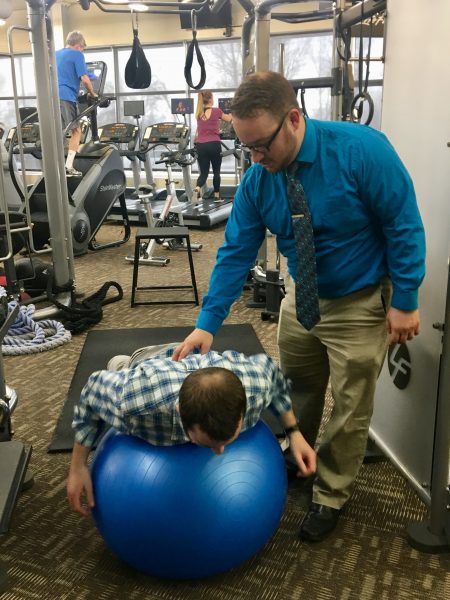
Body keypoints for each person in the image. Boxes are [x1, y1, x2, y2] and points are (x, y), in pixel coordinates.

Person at [173, 71, 426, 543]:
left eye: (262, 146)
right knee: (298, 389)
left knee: (350, 407)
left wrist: (406, 300)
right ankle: (298, 456)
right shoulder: (258, 180)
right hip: (302, 298)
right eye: (245, 148)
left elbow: (403, 223)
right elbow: (235, 252)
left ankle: (331, 493)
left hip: (358, 299)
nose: (255, 158)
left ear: (293, 119)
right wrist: (208, 324)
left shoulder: (361, 150)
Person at [67, 343, 316, 517]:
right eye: (209, 443)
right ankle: (123, 362)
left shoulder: (255, 385)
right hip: (152, 365)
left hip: (204, 359)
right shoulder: (134, 404)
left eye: (229, 440)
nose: (220, 453)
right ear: (179, 411)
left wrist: (294, 433)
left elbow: (273, 374)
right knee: (123, 366)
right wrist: (78, 466)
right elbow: (92, 391)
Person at [56, 31, 97, 177]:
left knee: (58, 132)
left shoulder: (55, 54)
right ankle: (68, 167)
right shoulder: (77, 54)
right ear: (79, 45)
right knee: (76, 131)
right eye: (83, 48)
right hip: (66, 96)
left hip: (51, 97)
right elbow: (85, 79)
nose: (82, 51)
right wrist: (93, 94)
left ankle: (55, 167)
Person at [193, 90, 232, 203]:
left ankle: (197, 189)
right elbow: (230, 120)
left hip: (201, 145)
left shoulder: (198, 113)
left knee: (204, 173)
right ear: (210, 99)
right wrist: (233, 114)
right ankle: (216, 196)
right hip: (214, 144)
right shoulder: (216, 111)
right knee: (216, 172)